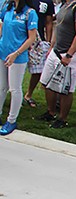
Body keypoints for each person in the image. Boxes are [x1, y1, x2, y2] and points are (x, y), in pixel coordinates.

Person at [37, 0, 76, 129]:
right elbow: (58, 27)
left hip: (72, 53)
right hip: (56, 51)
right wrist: (52, 45)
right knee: (46, 82)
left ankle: (62, 118)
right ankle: (51, 111)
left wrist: (69, 54)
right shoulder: (64, 6)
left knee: (66, 88)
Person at [0, 0, 38, 135]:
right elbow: (2, 27)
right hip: (3, 51)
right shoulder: (7, 8)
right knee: (1, 86)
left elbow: (31, 38)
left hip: (17, 56)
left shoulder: (30, 13)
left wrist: (16, 54)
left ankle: (11, 120)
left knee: (15, 88)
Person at [22, 0, 54, 109]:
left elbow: (49, 22)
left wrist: (48, 42)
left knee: (37, 69)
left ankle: (28, 94)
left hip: (38, 40)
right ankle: (13, 93)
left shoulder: (47, 2)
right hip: (20, 36)